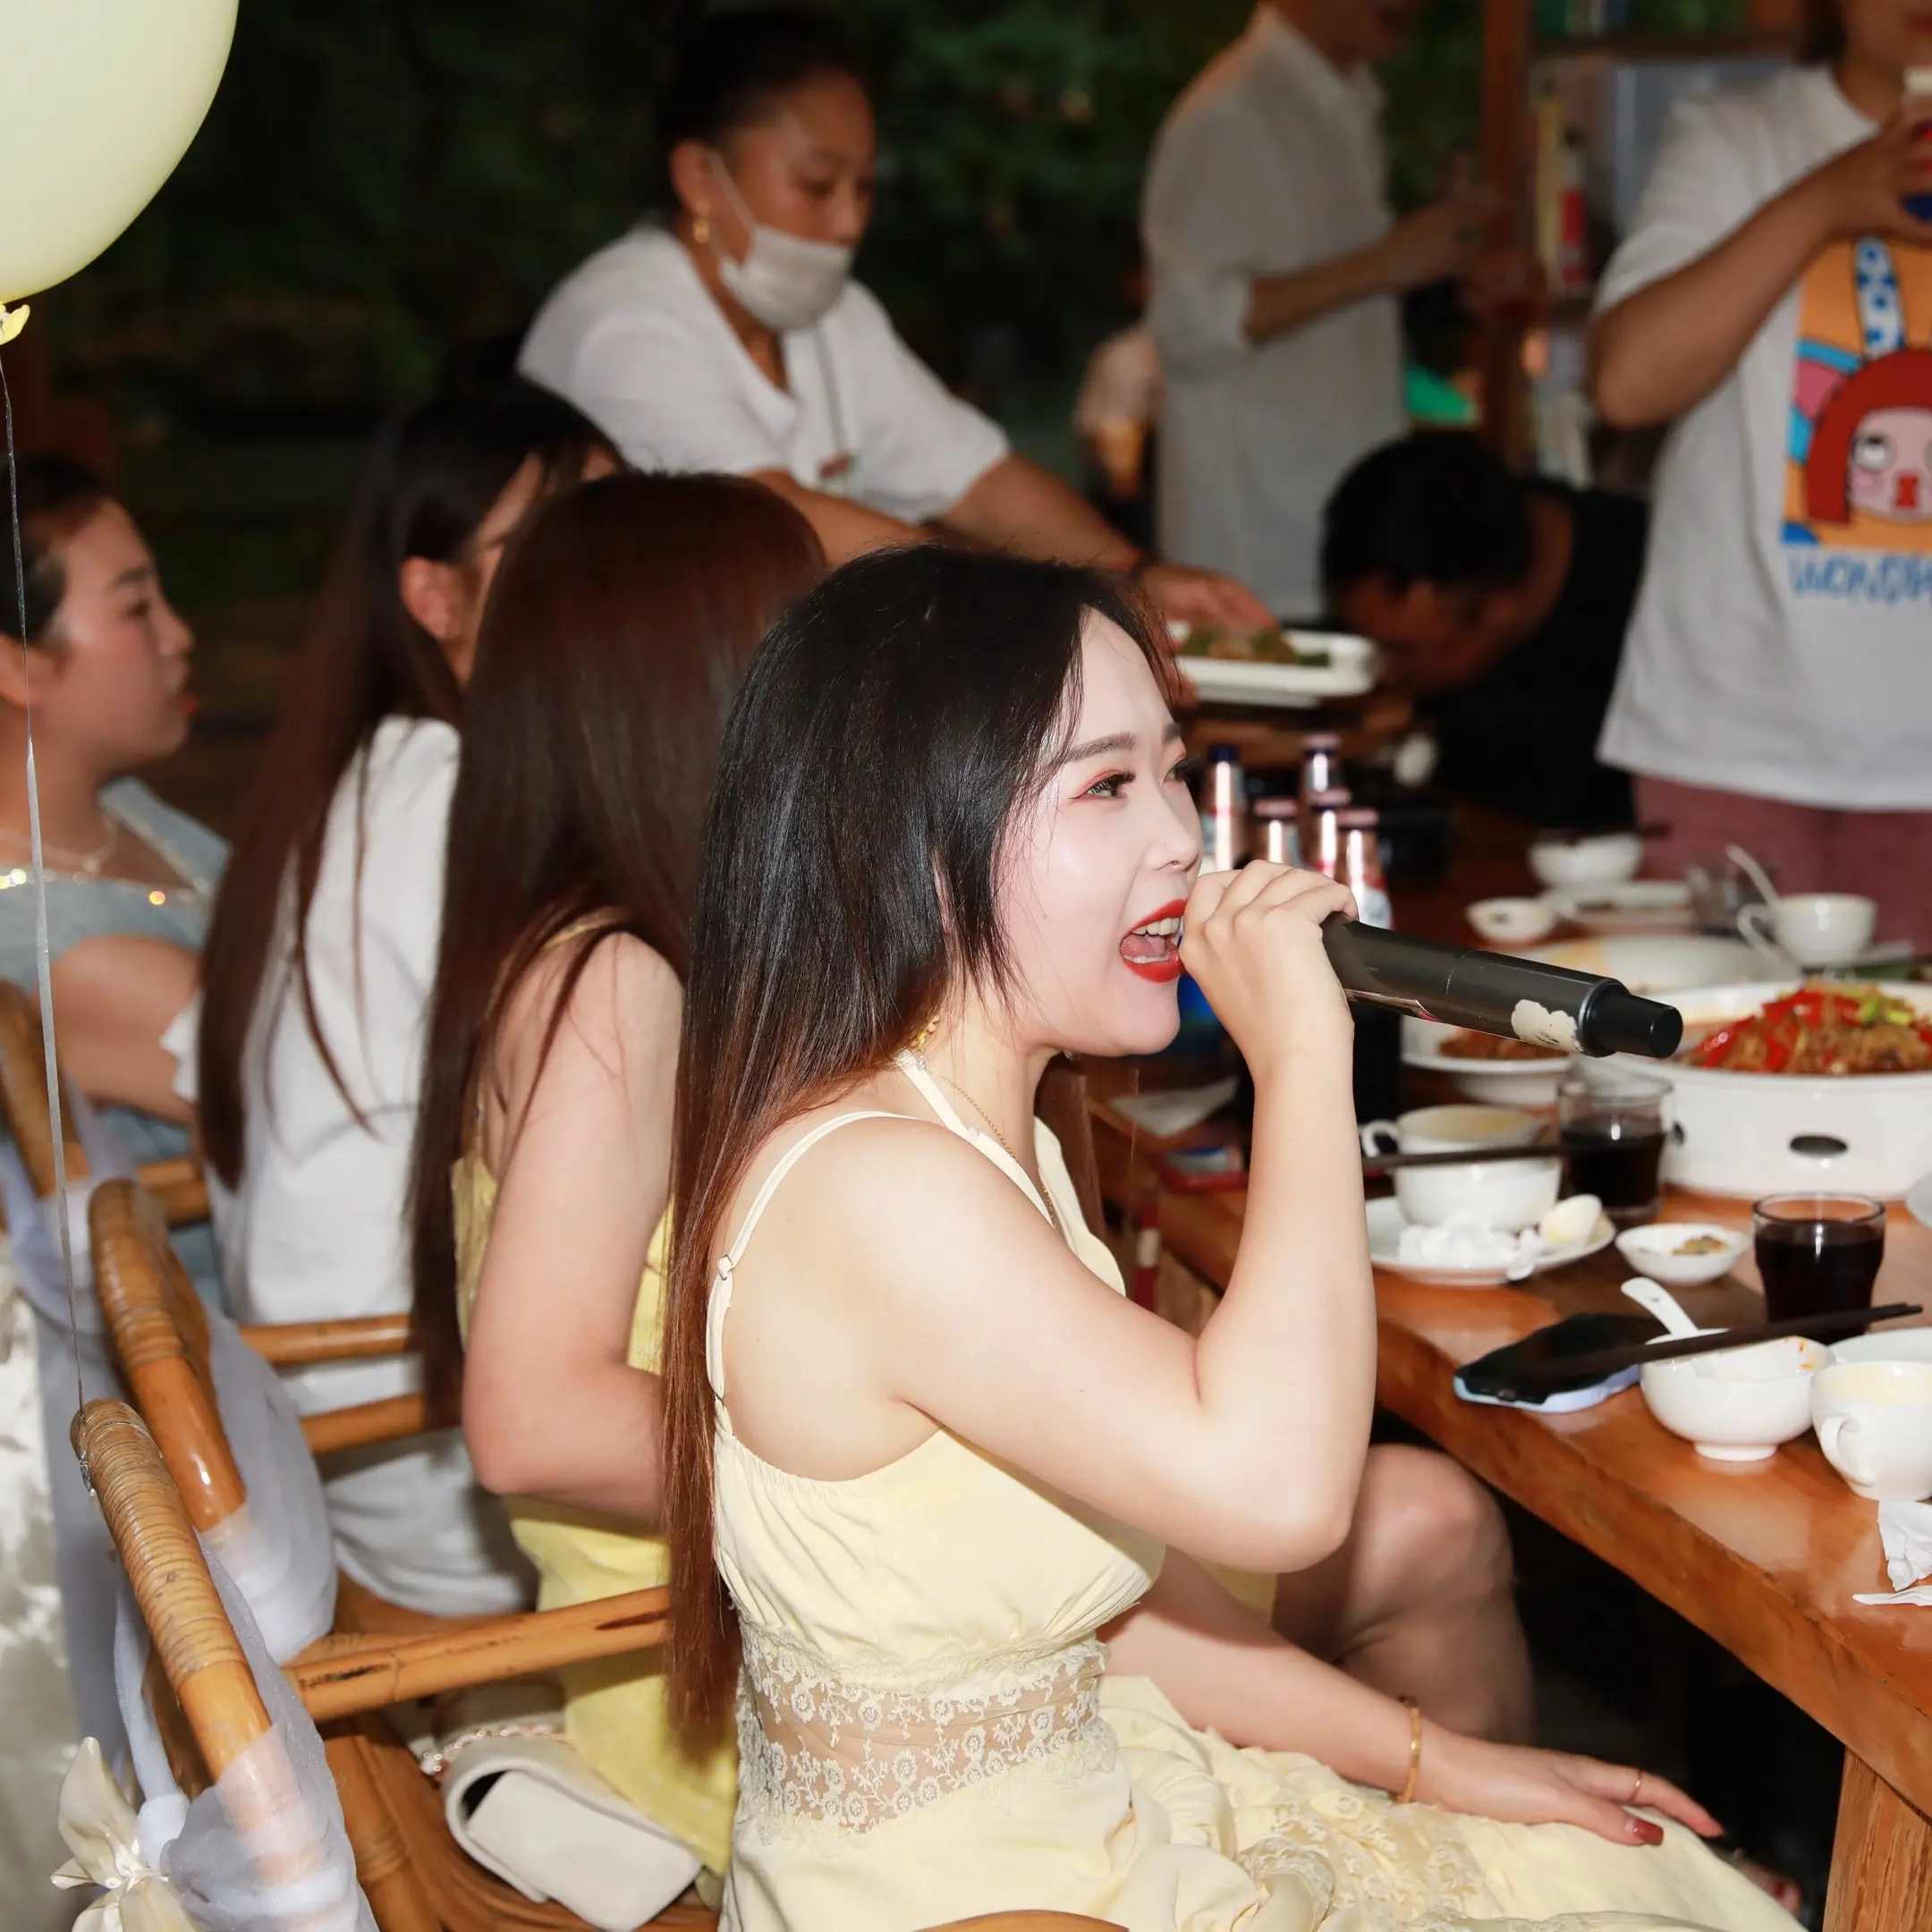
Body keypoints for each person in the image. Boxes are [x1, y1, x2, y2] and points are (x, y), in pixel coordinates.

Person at [657, 545, 1796, 1930]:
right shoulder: (882, 1187)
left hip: (1095, 1812)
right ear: (907, 841)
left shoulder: (980, 1129)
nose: (1181, 842)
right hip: (975, 1901)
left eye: (1173, 773)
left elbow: (1099, 1619)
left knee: (1634, 1874)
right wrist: (1303, 1059)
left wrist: (1447, 1763)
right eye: (1105, 786)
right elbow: (1280, 1494)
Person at [406, 470, 826, 1877]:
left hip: (716, 1636)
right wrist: (883, 1466)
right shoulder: (621, 980)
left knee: (1392, 1534)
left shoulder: (572, 943)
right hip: (722, 1683)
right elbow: (531, 1419)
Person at [188, 380, 615, 1620]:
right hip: (414, 1439)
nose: (598, 572)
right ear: (435, 597)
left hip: (349, 1401)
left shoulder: (384, 764)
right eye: (546, 542)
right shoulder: (445, 796)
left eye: (614, 527)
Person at [519, 6, 1267, 629]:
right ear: (698, 176)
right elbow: (777, 523)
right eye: (818, 185)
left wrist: (1136, 579)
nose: (849, 222)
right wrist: (1036, 607)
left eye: (864, 188)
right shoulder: (623, 329)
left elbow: (981, 482)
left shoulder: (837, 319)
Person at [1589, 0, 1932, 938]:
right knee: (1709, 1023)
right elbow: (1626, 383)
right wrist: (1825, 202)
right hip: (1731, 728)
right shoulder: (1736, 138)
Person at [1143, 1, 1501, 616]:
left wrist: (1447, 275)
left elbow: (1336, 304)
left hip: (1338, 541)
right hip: (1261, 563)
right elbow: (1187, 323)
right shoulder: (1233, 112)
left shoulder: (1342, 101)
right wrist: (1385, 263)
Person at [0, 455, 227, 1301]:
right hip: (246, 1343)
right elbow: (357, 1088)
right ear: (17, 665)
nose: (179, 635)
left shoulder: (124, 808)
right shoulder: (57, 951)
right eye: (136, 608)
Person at [1321, 431, 1646, 830]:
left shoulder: (1651, 603)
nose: (1380, 671)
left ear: (1500, 610)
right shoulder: (1467, 539)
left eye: (1404, 652)